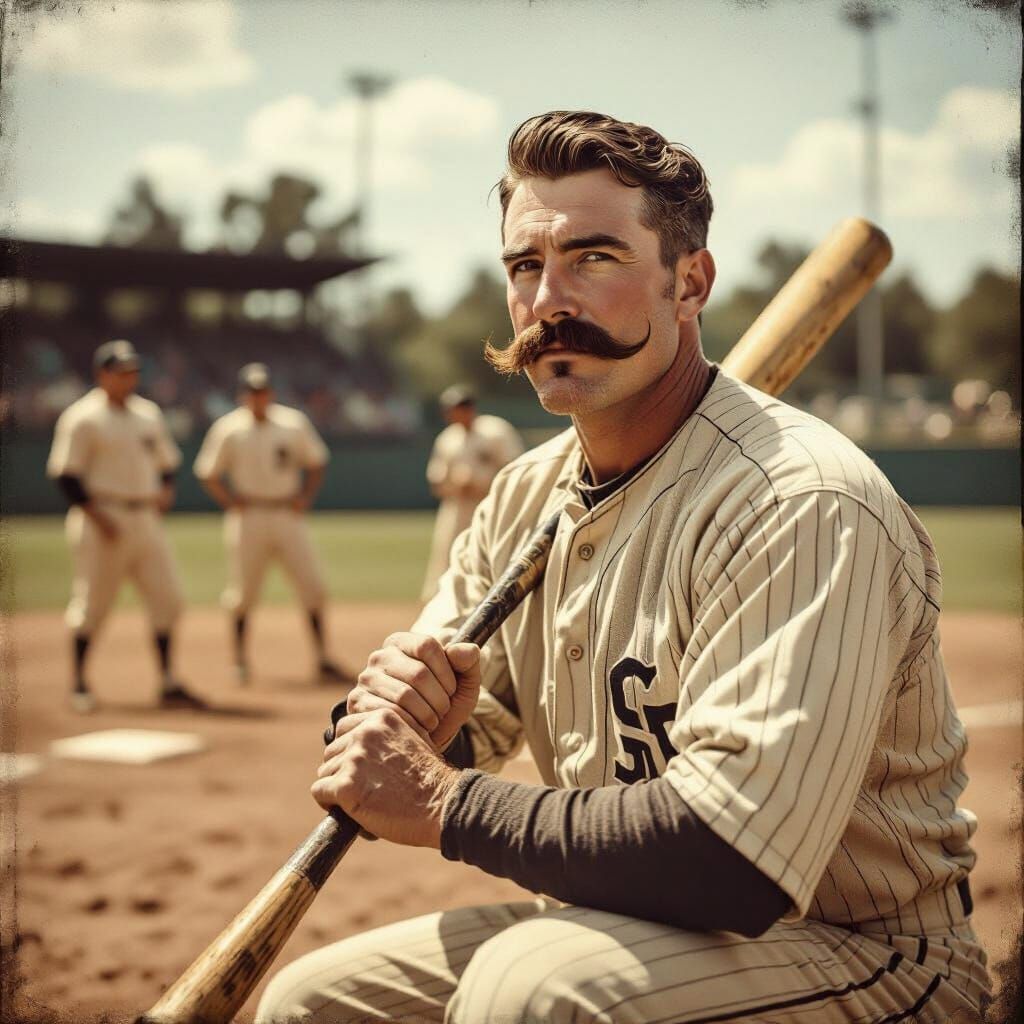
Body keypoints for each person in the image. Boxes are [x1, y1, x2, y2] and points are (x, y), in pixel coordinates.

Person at [257, 111, 991, 1023]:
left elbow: (737, 859)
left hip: (865, 950)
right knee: (311, 1002)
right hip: (629, 918)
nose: (550, 300)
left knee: (534, 995)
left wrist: (446, 801)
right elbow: (447, 735)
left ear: (691, 283)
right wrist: (402, 726)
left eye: (595, 258)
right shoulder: (524, 495)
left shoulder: (799, 498)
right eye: (526, 267)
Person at [46, 339, 203, 713]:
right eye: (121, 372)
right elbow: (67, 476)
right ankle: (80, 684)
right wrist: (99, 517)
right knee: (93, 605)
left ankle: (167, 682)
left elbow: (168, 463)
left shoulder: (147, 414)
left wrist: (165, 489)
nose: (128, 378)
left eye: (132, 371)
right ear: (102, 375)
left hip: (145, 518)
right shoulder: (82, 417)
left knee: (169, 600)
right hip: (101, 518)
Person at [193, 363, 347, 684]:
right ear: (242, 395)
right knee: (243, 592)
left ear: (271, 393)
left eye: (263, 391)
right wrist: (230, 501)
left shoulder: (292, 423)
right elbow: (207, 472)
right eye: (252, 392)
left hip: (286, 513)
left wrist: (305, 496)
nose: (258, 397)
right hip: (248, 516)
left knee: (313, 587)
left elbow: (317, 461)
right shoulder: (229, 428)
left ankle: (321, 658)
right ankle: (240, 661)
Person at [420, 385, 524, 601]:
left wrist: (481, 483)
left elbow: (516, 469)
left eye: (459, 408)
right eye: (450, 409)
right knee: (447, 556)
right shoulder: (447, 439)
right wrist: (455, 485)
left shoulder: (495, 430)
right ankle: (444, 602)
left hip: (493, 505)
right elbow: (436, 480)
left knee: (497, 555)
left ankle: (499, 601)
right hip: (457, 506)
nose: (454, 413)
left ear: (470, 408)